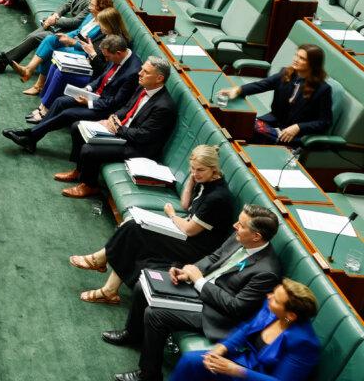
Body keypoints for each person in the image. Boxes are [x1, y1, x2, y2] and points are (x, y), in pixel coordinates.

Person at [106, 205, 282, 381]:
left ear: (256, 236)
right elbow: (214, 258)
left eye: (242, 225)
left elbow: (235, 307)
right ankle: (133, 334)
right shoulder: (240, 237)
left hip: (216, 313)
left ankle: (149, 375)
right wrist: (187, 272)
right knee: (144, 283)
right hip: (200, 287)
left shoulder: (267, 271)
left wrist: (199, 281)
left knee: (156, 315)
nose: (235, 225)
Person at [71, 145, 233, 305]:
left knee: (135, 229)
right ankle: (108, 288)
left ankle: (101, 264)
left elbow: (190, 230)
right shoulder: (206, 179)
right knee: (133, 228)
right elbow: (185, 205)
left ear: (214, 169)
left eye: (200, 170)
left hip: (197, 248)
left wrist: (172, 215)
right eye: (192, 168)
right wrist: (191, 179)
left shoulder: (217, 197)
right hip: (187, 236)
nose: (195, 173)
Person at [60, 56, 177, 199]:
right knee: (77, 127)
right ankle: (79, 171)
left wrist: (117, 128)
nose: (140, 73)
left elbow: (144, 135)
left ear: (159, 78)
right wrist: (112, 118)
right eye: (141, 69)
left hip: (138, 147)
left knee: (89, 150)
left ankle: (89, 186)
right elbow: (126, 108)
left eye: (146, 72)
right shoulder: (143, 87)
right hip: (123, 132)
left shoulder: (164, 106)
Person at [4, 35, 140, 152]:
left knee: (68, 114)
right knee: (60, 101)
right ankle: (32, 139)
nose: (107, 59)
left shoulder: (133, 71)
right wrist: (87, 90)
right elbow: (102, 77)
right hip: (95, 96)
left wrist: (89, 102)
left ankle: (30, 135)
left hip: (105, 109)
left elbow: (117, 102)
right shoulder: (116, 57)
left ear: (118, 53)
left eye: (108, 56)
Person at [169, 280, 319, 381]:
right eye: (273, 293)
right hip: (238, 361)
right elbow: (246, 329)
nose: (268, 296)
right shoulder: (272, 311)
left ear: (291, 315)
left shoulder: (304, 343)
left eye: (275, 299)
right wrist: (222, 347)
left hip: (253, 376)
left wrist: (236, 370)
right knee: (191, 361)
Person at [223, 44, 332, 145]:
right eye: (296, 55)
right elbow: (263, 85)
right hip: (272, 122)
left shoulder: (322, 89)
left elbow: (324, 122)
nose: (295, 59)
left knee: (246, 128)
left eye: (302, 58)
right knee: (242, 123)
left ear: (313, 64)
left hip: (291, 135)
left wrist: (299, 127)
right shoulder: (286, 73)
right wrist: (238, 90)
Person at [0, 0, 101, 70]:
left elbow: (76, 22)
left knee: (35, 37)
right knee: (32, 35)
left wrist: (55, 21)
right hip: (63, 22)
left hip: (71, 31)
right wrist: (55, 15)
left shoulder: (93, 1)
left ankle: (4, 60)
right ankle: (8, 60)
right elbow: (68, 4)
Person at [11, 0, 115, 93]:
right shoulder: (90, 16)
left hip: (83, 52)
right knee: (50, 39)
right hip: (74, 41)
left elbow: (90, 49)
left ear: (100, 8)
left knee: (52, 52)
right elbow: (78, 31)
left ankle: (38, 86)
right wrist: (65, 36)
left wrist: (72, 42)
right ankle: (28, 70)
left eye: (92, 5)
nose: (89, 7)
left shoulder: (104, 26)